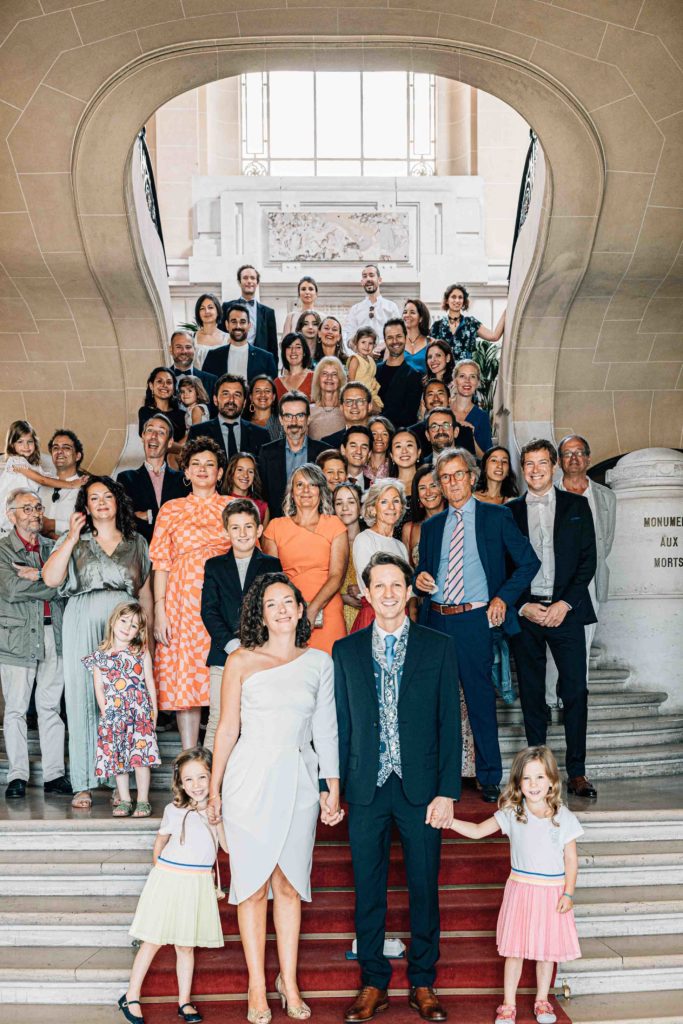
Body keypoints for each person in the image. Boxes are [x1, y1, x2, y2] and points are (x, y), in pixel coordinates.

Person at [208, 574, 343, 1024]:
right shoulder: (241, 660)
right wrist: (214, 789)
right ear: (260, 614)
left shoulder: (319, 662)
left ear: (302, 610)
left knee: (288, 885)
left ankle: (289, 979)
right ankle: (255, 985)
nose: (283, 609)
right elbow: (227, 728)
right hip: (248, 779)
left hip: (300, 779)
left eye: (290, 601)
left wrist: (332, 786)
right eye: (272, 603)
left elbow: (326, 729)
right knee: (251, 887)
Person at [332, 552, 460, 1024]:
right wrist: (335, 785)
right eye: (378, 585)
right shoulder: (344, 651)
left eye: (395, 585)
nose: (387, 593)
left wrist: (448, 791)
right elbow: (341, 725)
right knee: (369, 888)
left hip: (422, 788)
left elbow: (449, 720)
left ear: (409, 592)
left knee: (424, 886)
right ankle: (373, 981)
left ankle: (423, 980)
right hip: (366, 786)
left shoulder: (437, 646)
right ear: (365, 593)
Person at [414, 448, 540, 803]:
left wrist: (502, 598)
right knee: (433, 701)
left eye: (457, 475)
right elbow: (423, 571)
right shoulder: (432, 525)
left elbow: (528, 563)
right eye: (445, 477)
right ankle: (436, 776)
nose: (451, 482)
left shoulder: (495, 517)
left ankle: (488, 776)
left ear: (472, 476)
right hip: (435, 618)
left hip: (474, 619)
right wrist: (418, 579)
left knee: (479, 698)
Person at [443, 746, 582, 1024]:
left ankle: (542, 1000)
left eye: (540, 778)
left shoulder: (563, 817)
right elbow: (478, 830)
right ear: (518, 782)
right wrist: (450, 821)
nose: (533, 785)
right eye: (527, 778)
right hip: (521, 890)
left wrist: (568, 892)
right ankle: (508, 1004)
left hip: (551, 893)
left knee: (547, 953)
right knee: (515, 951)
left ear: (552, 781)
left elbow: (571, 859)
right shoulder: (512, 813)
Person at [42, 476, 153, 810]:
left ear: (118, 502)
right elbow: (50, 578)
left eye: (108, 496)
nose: (102, 501)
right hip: (82, 617)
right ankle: (84, 781)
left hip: (125, 624)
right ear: (85, 507)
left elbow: (145, 593)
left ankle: (120, 785)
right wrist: (73, 535)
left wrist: (145, 636)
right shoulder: (74, 539)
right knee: (81, 699)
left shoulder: (136, 542)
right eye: (94, 497)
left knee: (121, 703)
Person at [507, 440, 598, 799]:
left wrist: (564, 604)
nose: (535, 470)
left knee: (575, 690)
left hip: (567, 612)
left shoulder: (577, 505)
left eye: (542, 463)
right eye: (528, 464)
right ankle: (536, 773)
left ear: (554, 466)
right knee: (531, 692)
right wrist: (522, 605)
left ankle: (576, 772)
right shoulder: (509, 511)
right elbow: (503, 565)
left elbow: (587, 561)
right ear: (523, 469)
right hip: (528, 613)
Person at [118, 747, 227, 1024]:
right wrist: (160, 872)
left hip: (197, 882)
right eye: (189, 780)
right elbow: (160, 842)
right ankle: (131, 995)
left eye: (202, 777)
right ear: (180, 782)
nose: (196, 785)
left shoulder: (217, 811)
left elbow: (225, 847)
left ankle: (184, 1001)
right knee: (152, 940)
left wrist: (219, 821)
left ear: (213, 777)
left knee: (185, 946)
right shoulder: (173, 809)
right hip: (169, 879)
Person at [150, 438, 231, 751]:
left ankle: (218, 759)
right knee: (187, 682)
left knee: (221, 678)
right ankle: (189, 759)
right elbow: (161, 562)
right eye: (196, 464)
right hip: (182, 604)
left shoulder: (231, 508)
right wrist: (160, 610)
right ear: (185, 471)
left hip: (221, 603)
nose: (202, 470)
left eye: (210, 464)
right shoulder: (172, 509)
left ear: (220, 472)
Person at [0, 489, 70, 800]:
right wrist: (49, 582)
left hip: (52, 633)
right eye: (26, 508)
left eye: (38, 507)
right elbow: (12, 590)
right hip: (16, 637)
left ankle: (54, 774)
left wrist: (39, 574)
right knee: (15, 709)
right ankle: (17, 775)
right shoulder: (3, 550)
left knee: (50, 706)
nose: (34, 513)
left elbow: (65, 585)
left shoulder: (53, 547)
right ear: (10, 514)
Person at [200, 499, 281, 751]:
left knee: (256, 720)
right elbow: (209, 610)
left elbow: (276, 609)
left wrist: (258, 644)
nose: (242, 533)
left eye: (248, 527)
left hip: (261, 654)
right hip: (223, 655)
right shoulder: (214, 566)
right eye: (235, 528)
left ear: (258, 530)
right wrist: (232, 644)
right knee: (218, 719)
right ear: (226, 531)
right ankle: (210, 783)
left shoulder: (271, 565)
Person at [82, 601, 159, 818]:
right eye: (124, 621)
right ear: (114, 621)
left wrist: (153, 712)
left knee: (141, 758)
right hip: (114, 715)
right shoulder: (100, 655)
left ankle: (143, 800)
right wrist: (106, 713)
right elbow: (99, 686)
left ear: (139, 631)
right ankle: (125, 799)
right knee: (119, 761)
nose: (127, 627)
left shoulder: (140, 652)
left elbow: (150, 683)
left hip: (139, 714)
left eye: (133, 625)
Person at [262, 463, 348, 655]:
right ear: (291, 492)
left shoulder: (335, 525)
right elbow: (272, 579)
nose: (306, 490)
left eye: (312, 485)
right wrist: (295, 611)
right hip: (287, 612)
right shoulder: (275, 527)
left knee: (330, 673)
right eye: (300, 485)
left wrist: (311, 610)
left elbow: (337, 576)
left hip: (327, 611)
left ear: (320, 490)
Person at [555, 433, 616, 673]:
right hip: (556, 579)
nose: (574, 458)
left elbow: (606, 539)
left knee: (585, 639)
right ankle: (552, 696)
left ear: (588, 459)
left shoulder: (606, 497)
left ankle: (579, 692)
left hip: (590, 579)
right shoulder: (550, 493)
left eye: (579, 452)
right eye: (567, 453)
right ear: (559, 461)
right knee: (555, 641)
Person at [1, 420, 84, 534]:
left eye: (29, 441)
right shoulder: (16, 461)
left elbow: (45, 477)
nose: (25, 446)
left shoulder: (35, 468)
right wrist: (71, 484)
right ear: (12, 445)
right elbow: (42, 480)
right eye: (20, 442)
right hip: (8, 515)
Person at [258, 392, 328, 519]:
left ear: (308, 418)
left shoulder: (324, 451)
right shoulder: (267, 453)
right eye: (288, 416)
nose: (294, 422)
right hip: (278, 525)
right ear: (281, 419)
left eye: (300, 415)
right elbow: (263, 496)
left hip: (316, 526)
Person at [117, 414, 185, 544]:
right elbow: (123, 519)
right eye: (150, 430)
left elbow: (185, 520)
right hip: (141, 553)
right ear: (143, 437)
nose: (154, 436)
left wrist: (149, 515)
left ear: (170, 442)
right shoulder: (126, 478)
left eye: (161, 432)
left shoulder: (182, 480)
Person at [351, 480, 408, 632]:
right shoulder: (364, 539)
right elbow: (371, 583)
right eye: (384, 502)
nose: (391, 507)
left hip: (401, 616)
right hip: (374, 616)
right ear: (372, 509)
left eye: (396, 501)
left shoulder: (400, 546)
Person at [187, 374, 270, 460]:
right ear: (215, 400)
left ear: (244, 402)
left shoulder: (261, 435)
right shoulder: (198, 432)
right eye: (225, 394)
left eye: (237, 395)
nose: (231, 400)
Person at [203, 303, 277, 382]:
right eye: (234, 321)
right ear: (227, 325)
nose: (238, 326)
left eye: (242, 322)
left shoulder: (266, 358)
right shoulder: (213, 356)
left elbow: (272, 390)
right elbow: (206, 388)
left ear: (249, 326)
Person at [430, 283, 505, 360]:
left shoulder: (471, 323)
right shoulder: (437, 326)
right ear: (447, 301)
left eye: (460, 297)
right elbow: (428, 352)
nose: (457, 300)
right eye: (453, 297)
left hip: (466, 370)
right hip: (444, 371)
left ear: (464, 301)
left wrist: (506, 312)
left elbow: (494, 336)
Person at [39, 429, 86, 540]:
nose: (60, 451)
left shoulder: (87, 488)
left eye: (66, 447)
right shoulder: (41, 485)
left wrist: (52, 524)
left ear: (78, 456)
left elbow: (92, 523)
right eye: (55, 448)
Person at [376, 319, 423, 428]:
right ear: (385, 341)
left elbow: (409, 415)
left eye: (399, 336)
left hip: (401, 437)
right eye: (390, 337)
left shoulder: (414, 376)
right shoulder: (374, 371)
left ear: (406, 338)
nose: (395, 341)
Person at [342, 264, 400, 350]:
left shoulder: (391, 306)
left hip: (386, 356)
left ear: (379, 280)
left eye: (371, 275)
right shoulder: (355, 309)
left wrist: (380, 348)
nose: (368, 279)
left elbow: (398, 333)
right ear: (362, 282)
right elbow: (348, 336)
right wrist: (360, 350)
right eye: (365, 276)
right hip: (362, 358)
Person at [228, 264, 278, 362]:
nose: (249, 281)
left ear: (257, 282)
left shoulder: (268, 313)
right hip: (233, 359)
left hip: (260, 363)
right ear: (239, 282)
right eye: (245, 278)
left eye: (252, 278)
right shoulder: (227, 307)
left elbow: (273, 347)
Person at [402, 465, 445, 569]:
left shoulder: (458, 521)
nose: (428, 492)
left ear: (443, 489)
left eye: (433, 485)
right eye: (422, 488)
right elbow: (407, 572)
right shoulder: (409, 529)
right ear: (417, 495)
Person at [334, 482, 364, 633]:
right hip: (336, 615)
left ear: (361, 507)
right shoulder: (329, 543)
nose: (345, 508)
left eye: (351, 502)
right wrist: (343, 598)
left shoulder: (370, 540)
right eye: (339, 503)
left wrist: (364, 590)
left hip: (366, 616)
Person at [137, 367, 186, 453]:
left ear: (173, 387)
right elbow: (156, 442)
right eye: (160, 381)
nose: (164, 385)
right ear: (151, 386)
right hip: (156, 462)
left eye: (169, 382)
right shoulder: (145, 412)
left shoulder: (182, 414)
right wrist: (186, 450)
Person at [167, 330, 217, 412]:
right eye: (179, 347)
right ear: (171, 349)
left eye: (188, 347)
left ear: (194, 349)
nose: (184, 351)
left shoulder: (211, 381)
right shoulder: (159, 380)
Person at [451, 359, 492, 457]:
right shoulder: (443, 409)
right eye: (462, 376)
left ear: (477, 383)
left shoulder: (482, 417)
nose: (467, 381)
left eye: (472, 377)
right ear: (454, 381)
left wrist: (471, 437)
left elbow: (485, 459)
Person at [321, 381, 372, 449]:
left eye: (360, 401)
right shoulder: (328, 444)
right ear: (341, 407)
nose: (354, 406)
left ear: (369, 406)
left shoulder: (379, 440)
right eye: (349, 402)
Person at [223, 452, 269, 526]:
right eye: (240, 470)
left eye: (250, 471)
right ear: (231, 473)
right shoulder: (220, 503)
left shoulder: (262, 507)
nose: (245, 475)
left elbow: (263, 537)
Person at [308, 357, 347, 441]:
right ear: (318, 379)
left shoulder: (347, 409)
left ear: (340, 379)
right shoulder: (308, 410)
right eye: (325, 373)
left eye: (334, 374)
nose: (329, 377)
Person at [411, 379, 451, 456]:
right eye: (430, 394)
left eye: (440, 393)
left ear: (449, 400)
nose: (436, 398)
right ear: (423, 402)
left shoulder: (463, 431)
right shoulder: (413, 434)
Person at [347, 327, 382, 412]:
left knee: (379, 411)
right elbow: (351, 381)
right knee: (375, 410)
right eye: (363, 342)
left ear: (374, 345)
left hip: (372, 393)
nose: (367, 346)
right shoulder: (355, 359)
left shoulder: (371, 360)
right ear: (356, 343)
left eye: (370, 343)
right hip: (359, 394)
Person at [192, 292, 227, 367]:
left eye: (210, 307)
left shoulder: (228, 338)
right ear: (198, 313)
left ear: (217, 311)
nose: (206, 311)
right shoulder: (191, 338)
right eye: (202, 308)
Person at [275, 332, 314, 400]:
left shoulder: (314, 378)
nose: (293, 351)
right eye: (289, 347)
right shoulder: (277, 382)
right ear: (284, 352)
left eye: (298, 347)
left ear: (304, 352)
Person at [245, 375, 282, 442]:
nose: (262, 394)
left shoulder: (283, 423)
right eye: (257, 391)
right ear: (251, 397)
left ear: (273, 397)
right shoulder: (242, 422)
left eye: (267, 391)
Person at [388, 428, 421, 500]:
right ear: (391, 455)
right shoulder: (385, 486)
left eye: (409, 445)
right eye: (398, 446)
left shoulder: (430, 481)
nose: (404, 451)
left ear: (418, 452)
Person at [402, 298, 431, 374]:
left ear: (421, 318)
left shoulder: (431, 342)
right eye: (405, 312)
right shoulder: (397, 342)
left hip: (424, 385)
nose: (407, 315)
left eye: (412, 312)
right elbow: (386, 369)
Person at [340, 425, 372, 492]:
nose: (358, 451)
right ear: (343, 449)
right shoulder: (334, 481)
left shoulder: (373, 487)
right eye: (353, 446)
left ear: (369, 454)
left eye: (364, 447)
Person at [365, 416, 394, 483]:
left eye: (384, 434)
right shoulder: (359, 465)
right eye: (374, 434)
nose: (379, 438)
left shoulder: (395, 467)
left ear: (390, 438)